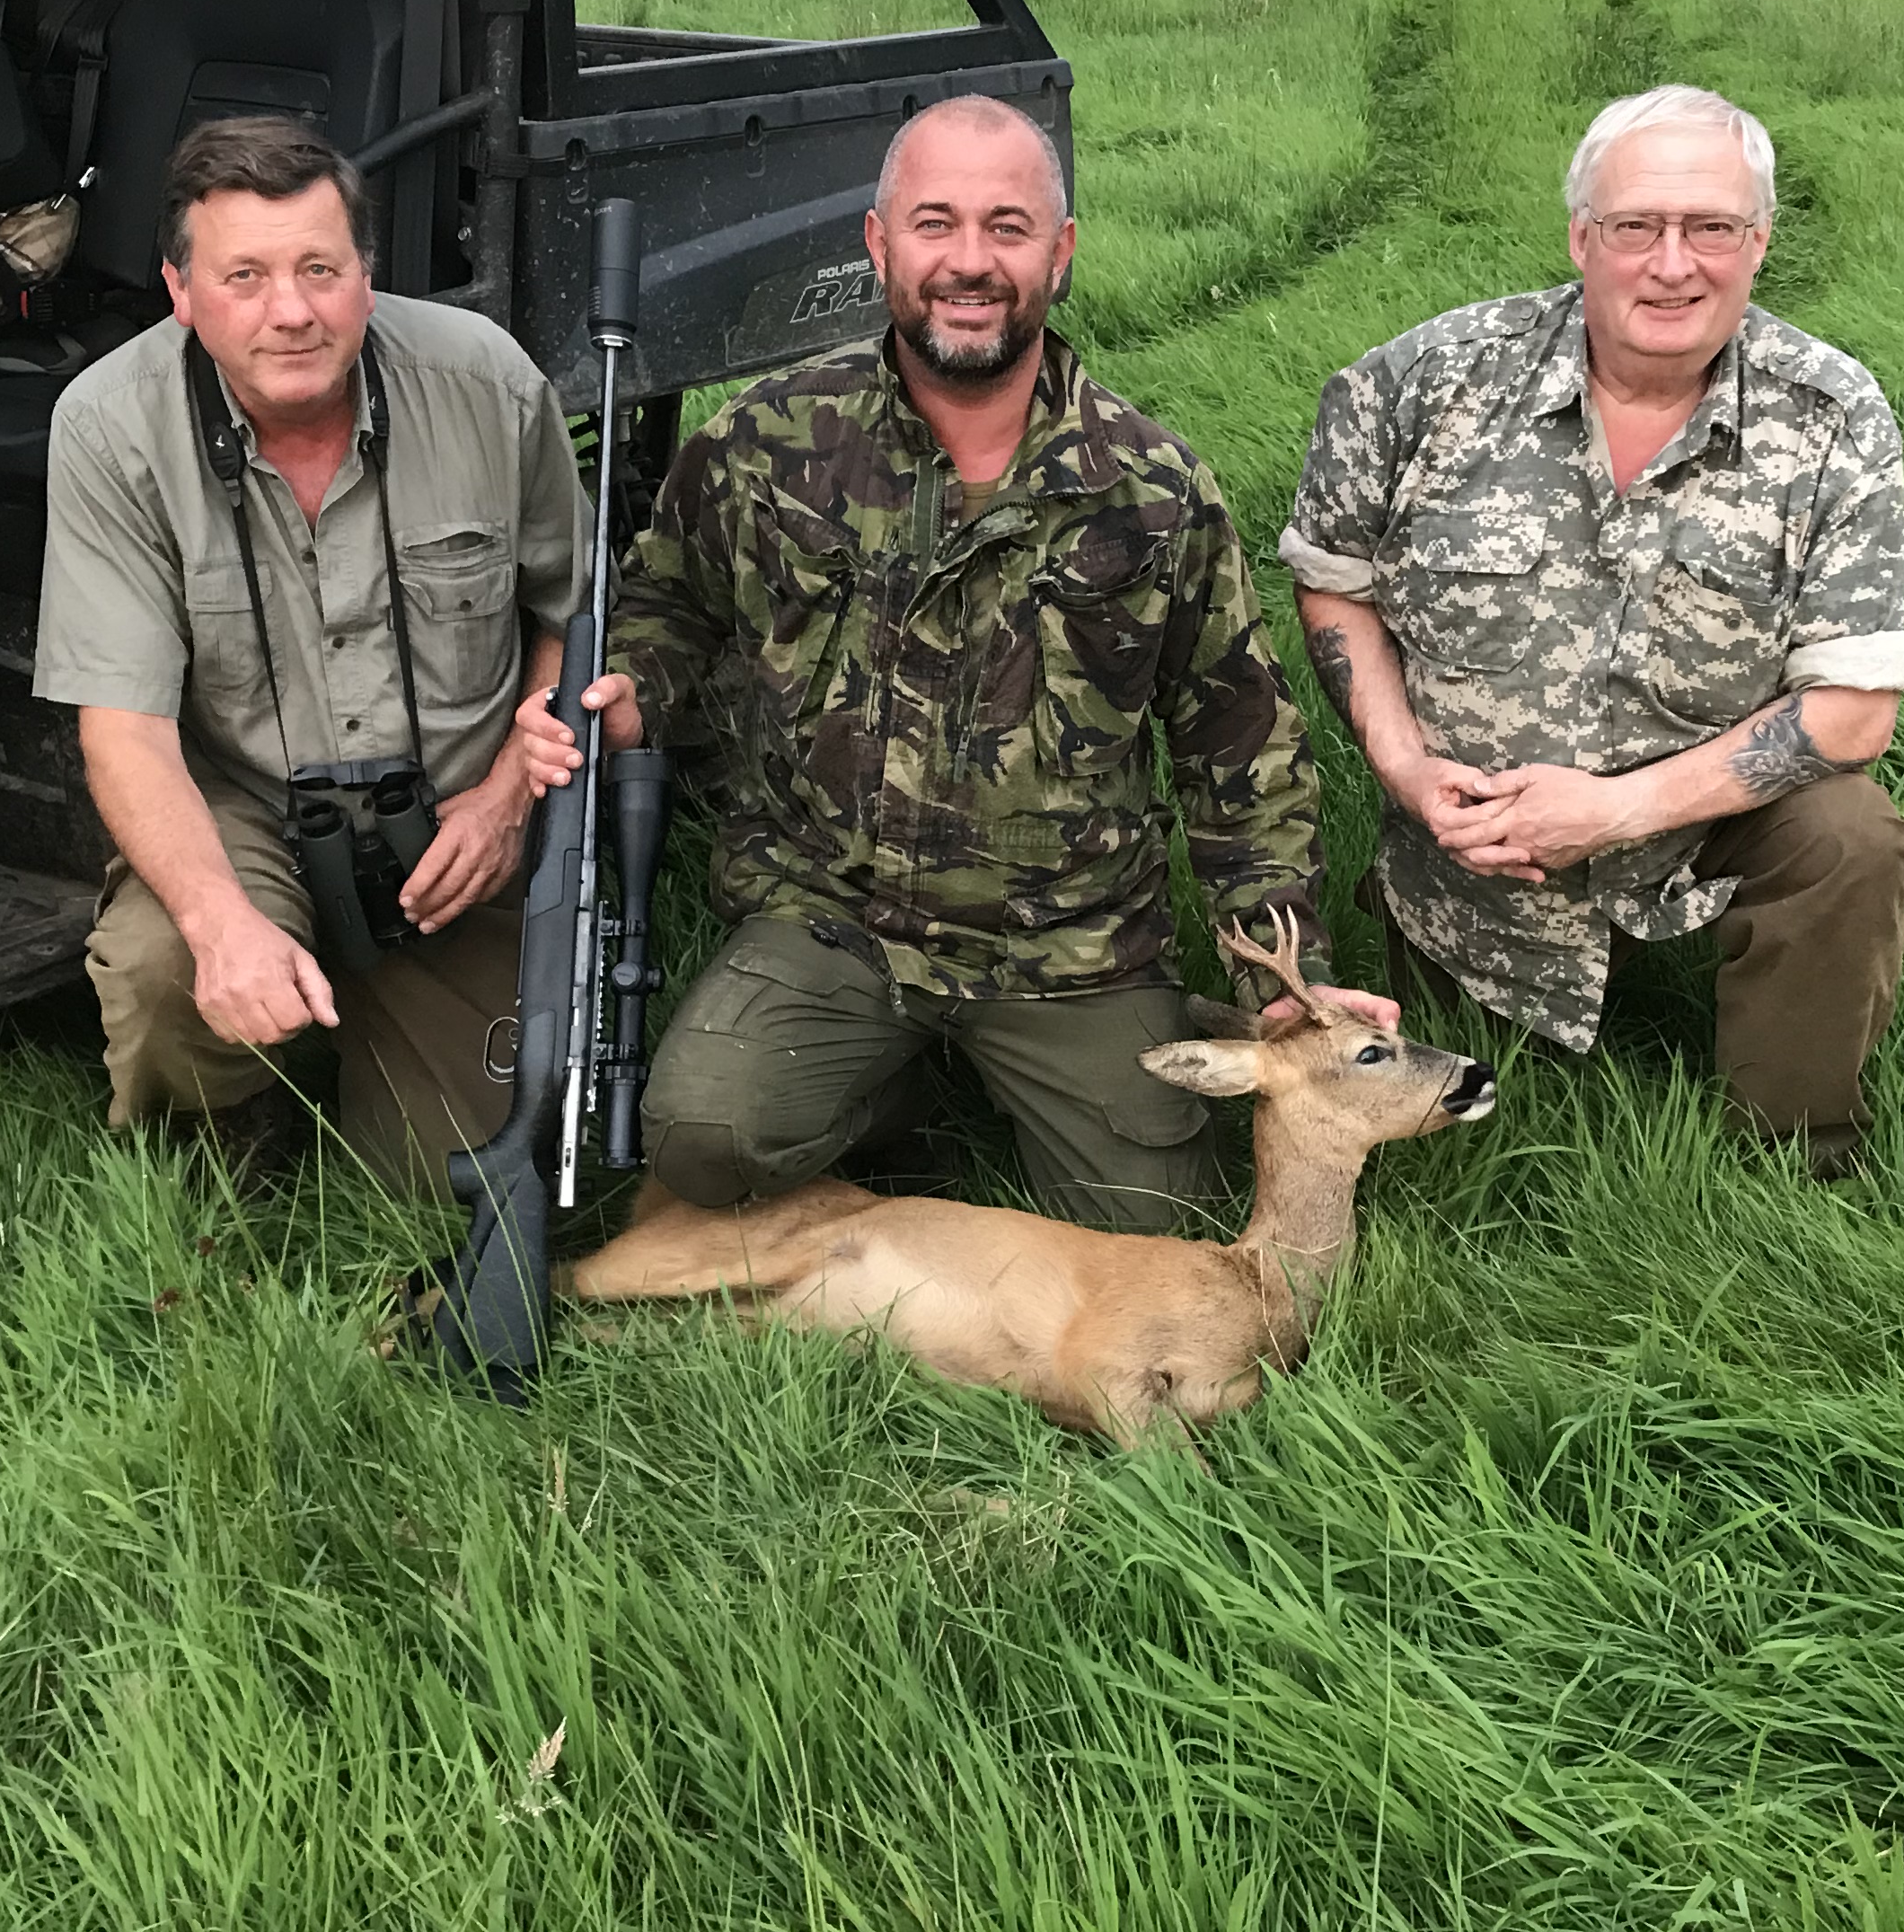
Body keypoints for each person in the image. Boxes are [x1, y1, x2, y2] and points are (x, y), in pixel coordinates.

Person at [519, 94, 1388, 1231]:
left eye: (1006, 228)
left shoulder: (1154, 488)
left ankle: (1036, 1064)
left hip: (1070, 947)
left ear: (1059, 254)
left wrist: (1288, 976)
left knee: (1153, 1228)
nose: (969, 262)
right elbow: (667, 606)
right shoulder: (767, 442)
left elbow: (1243, 745)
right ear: (879, 245)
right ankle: (899, 1085)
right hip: (830, 917)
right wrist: (628, 693)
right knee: (705, 1136)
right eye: (935, 224)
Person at [1283, 84, 1904, 1175]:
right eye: (1637, 226)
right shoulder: (1423, 381)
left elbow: (1854, 711)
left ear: (1760, 242)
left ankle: (1798, 1158)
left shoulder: (1834, 416)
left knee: (1852, 836)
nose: (1673, 265)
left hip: (1703, 826)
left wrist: (1615, 811)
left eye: (1711, 227)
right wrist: (1408, 772)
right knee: (1453, 1112)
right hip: (1472, 854)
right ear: (1582, 237)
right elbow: (1332, 583)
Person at [35, 116, 589, 1186]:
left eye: (319, 270)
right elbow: (125, 732)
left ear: (366, 278)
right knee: (163, 970)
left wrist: (512, 792)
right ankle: (237, 1110)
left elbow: (582, 614)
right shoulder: (108, 428)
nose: (290, 311)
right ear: (180, 291)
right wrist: (220, 924)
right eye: (243, 277)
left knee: (455, 1170)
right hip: (250, 812)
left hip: (452, 832)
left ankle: (374, 1039)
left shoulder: (487, 383)